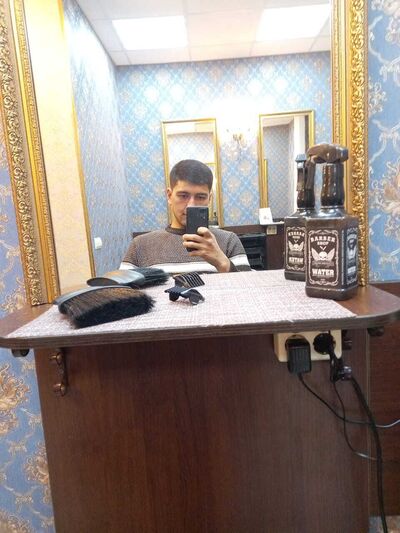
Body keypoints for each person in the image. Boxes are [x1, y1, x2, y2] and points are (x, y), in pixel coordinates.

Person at [120, 159, 251, 274]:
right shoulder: (140, 246)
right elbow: (121, 292)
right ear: (169, 196)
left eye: (200, 197)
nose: (191, 205)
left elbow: (249, 290)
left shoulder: (229, 241)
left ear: (209, 199)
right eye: (183, 196)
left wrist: (223, 263)